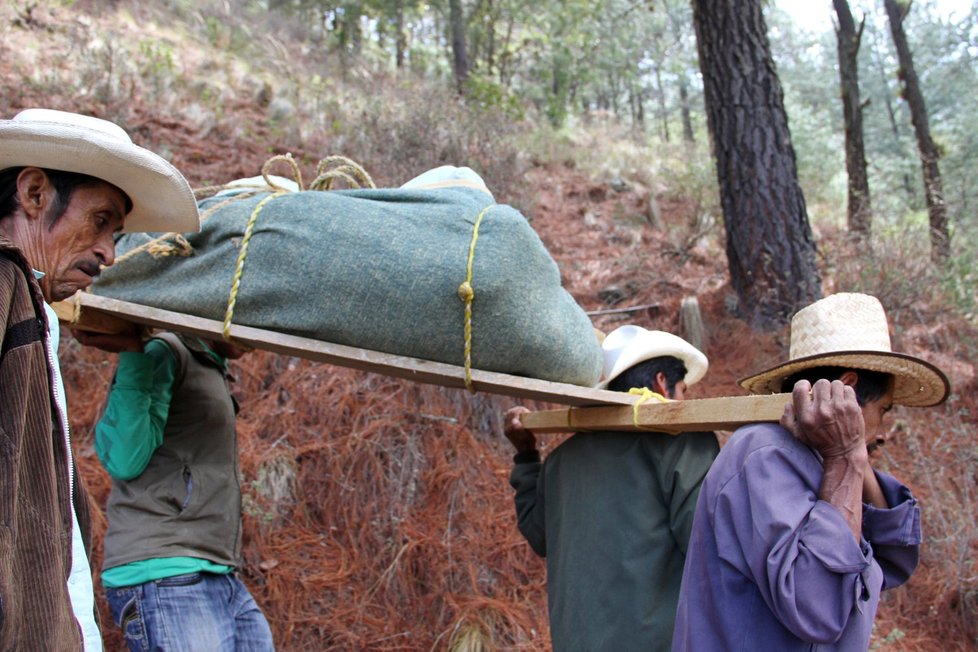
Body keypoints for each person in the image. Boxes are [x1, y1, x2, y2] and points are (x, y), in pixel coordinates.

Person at [0, 108, 198, 650]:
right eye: (100, 221)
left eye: (115, 232)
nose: (109, 253)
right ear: (35, 193)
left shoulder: (27, 303)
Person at [673, 292, 950, 651]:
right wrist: (846, 456)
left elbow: (891, 561)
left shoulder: (826, 459)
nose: (882, 431)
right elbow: (817, 607)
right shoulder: (764, 455)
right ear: (847, 390)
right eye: (883, 409)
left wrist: (854, 458)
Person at [502, 325, 720, 651]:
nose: (686, 400)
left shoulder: (561, 461)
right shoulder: (683, 446)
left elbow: (538, 534)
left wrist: (526, 456)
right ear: (662, 382)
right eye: (684, 389)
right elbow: (711, 550)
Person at [72, 328, 275, 651]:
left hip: (217, 572)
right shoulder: (167, 351)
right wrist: (134, 356)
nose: (257, 340)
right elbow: (124, 458)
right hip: (165, 571)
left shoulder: (210, 366)